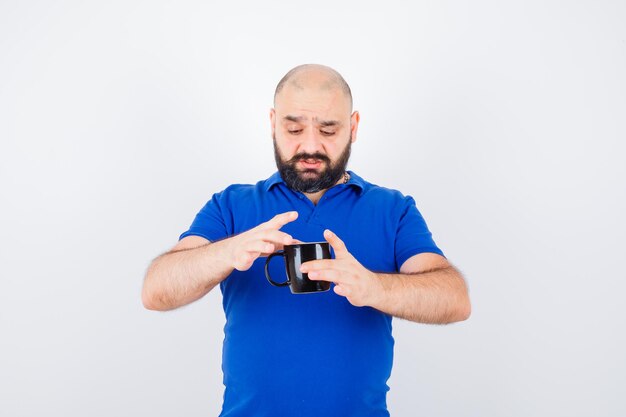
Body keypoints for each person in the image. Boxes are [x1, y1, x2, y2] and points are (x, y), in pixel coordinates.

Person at [142, 64, 471, 417]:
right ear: (272, 123)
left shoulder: (393, 210)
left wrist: (376, 288)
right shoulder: (231, 206)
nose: (310, 145)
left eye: (328, 129)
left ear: (354, 126)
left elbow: (455, 299)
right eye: (294, 128)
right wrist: (228, 250)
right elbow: (156, 291)